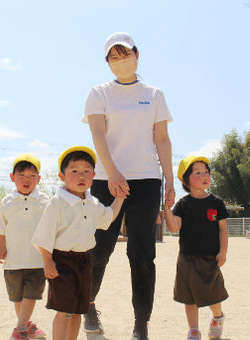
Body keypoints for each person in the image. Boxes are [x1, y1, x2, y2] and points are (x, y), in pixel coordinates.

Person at [82, 31, 175, 340]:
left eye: (125, 54)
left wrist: (170, 181)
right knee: (98, 250)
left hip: (147, 180)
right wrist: (112, 173)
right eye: (113, 56)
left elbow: (161, 138)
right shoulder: (99, 92)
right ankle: (88, 304)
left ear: (137, 55)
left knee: (142, 254)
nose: (120, 60)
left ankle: (141, 323)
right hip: (105, 180)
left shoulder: (155, 94)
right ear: (107, 62)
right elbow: (97, 134)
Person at [31, 146, 126, 340]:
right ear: (62, 175)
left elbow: (108, 217)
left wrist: (120, 198)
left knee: (77, 311)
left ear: (94, 175)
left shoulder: (93, 203)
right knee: (64, 310)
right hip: (62, 262)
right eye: (74, 171)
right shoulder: (56, 204)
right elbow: (44, 235)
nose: (81, 175)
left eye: (86, 171)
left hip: (85, 261)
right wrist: (47, 260)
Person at [163, 156, 229, 340]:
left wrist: (223, 251)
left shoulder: (216, 202)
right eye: (198, 172)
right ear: (185, 180)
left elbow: (223, 228)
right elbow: (174, 227)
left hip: (210, 257)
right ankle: (194, 330)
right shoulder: (183, 204)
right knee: (189, 297)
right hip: (186, 258)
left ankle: (218, 317)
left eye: (206, 172)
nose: (204, 175)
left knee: (213, 293)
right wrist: (167, 209)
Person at [0, 154, 48, 340]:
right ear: (12, 177)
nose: (27, 180)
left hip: (37, 260)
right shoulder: (7, 202)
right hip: (13, 261)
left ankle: (19, 330)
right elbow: (1, 228)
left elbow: (51, 227)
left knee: (31, 294)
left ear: (39, 179)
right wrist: (1, 247)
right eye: (22, 175)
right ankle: (26, 326)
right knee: (18, 297)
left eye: (32, 176)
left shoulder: (45, 201)